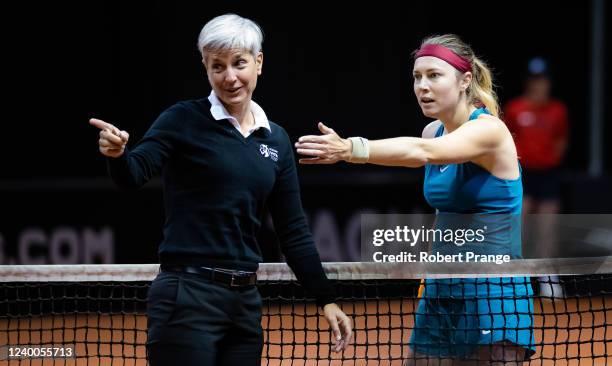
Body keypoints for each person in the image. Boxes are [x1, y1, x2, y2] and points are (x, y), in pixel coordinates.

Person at [89, 13, 352, 366]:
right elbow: (133, 175)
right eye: (218, 66)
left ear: (258, 63)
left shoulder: (275, 140)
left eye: (239, 63)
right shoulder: (182, 120)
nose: (230, 77)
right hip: (187, 296)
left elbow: (293, 230)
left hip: (244, 305)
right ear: (206, 67)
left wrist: (326, 298)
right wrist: (118, 155)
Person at [295, 34, 534, 365]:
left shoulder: (489, 131)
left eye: (434, 76)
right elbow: (444, 209)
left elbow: (424, 153)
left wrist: (351, 148)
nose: (423, 86)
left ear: (465, 80)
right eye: (417, 77)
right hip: (443, 284)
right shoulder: (432, 130)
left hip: (492, 288)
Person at [504, 59, 568, 298]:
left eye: (542, 80)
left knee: (547, 228)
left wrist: (549, 159)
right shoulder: (515, 108)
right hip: (523, 175)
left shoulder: (558, 110)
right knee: (520, 226)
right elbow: (506, 138)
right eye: (534, 80)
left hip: (548, 175)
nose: (538, 85)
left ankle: (548, 279)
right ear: (528, 83)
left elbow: (561, 141)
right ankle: (515, 277)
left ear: (548, 83)